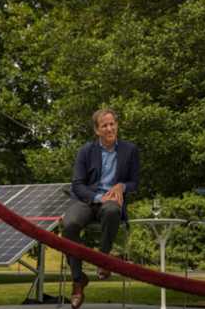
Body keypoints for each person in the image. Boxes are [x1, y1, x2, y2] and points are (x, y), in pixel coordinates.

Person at [62, 108, 140, 309]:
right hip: (87, 200)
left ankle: (103, 259)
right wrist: (97, 197)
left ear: (117, 125)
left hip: (111, 203)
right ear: (97, 130)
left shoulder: (130, 150)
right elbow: (77, 184)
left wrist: (122, 186)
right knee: (69, 224)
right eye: (104, 125)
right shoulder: (86, 151)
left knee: (113, 210)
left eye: (112, 124)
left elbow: (134, 182)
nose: (109, 128)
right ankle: (78, 280)